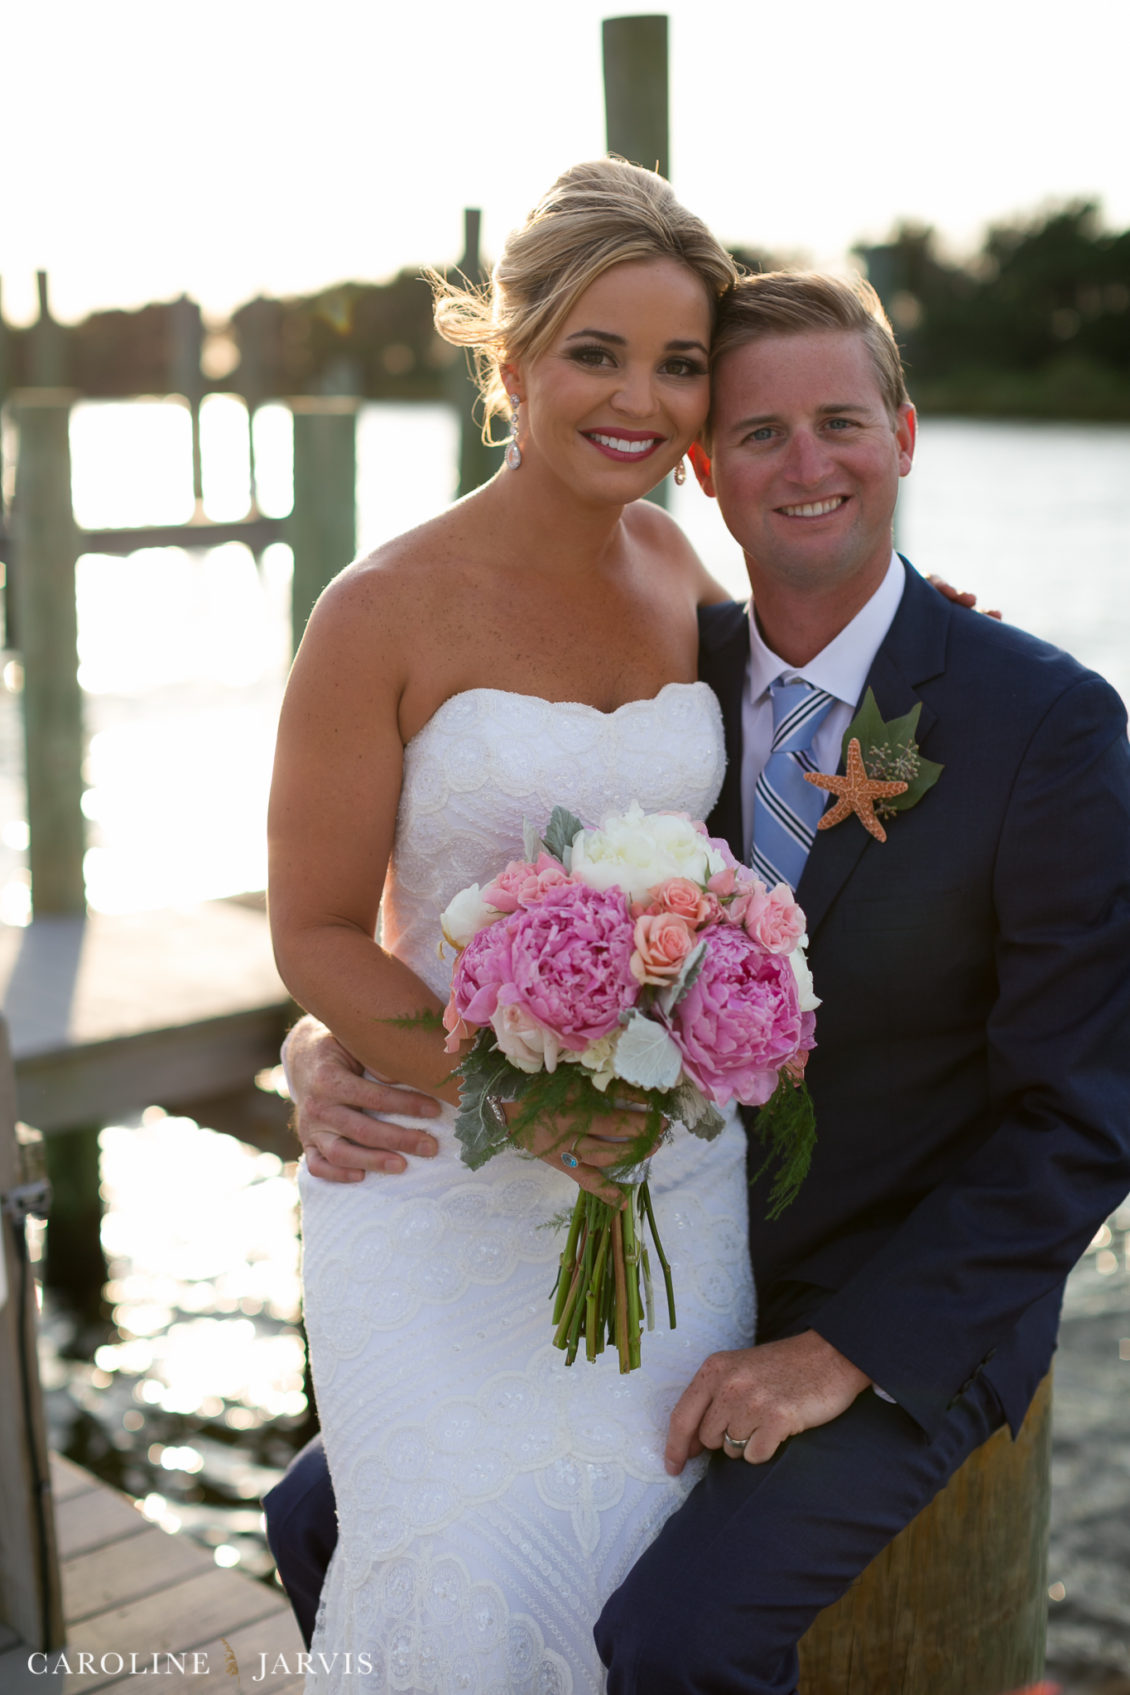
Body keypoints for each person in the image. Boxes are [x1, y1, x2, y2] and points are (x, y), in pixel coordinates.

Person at [269, 267, 1130, 1692]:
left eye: (840, 424)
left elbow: (1086, 1111)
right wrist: (326, 1038)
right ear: (702, 471)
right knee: (311, 1515)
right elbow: (440, 898)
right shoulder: (683, 663)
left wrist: (843, 1352)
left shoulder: (1041, 722)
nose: (806, 466)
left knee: (672, 1642)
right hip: (663, 1242)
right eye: (756, 434)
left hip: (896, 1295)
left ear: (904, 436)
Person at [266, 158, 760, 1693]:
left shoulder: (684, 570)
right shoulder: (380, 609)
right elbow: (318, 931)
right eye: (595, 353)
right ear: (515, 359)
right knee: (467, 1574)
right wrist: (507, 1098)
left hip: (666, 1176)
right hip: (436, 1167)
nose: (639, 398)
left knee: (649, 1570)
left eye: (678, 363)